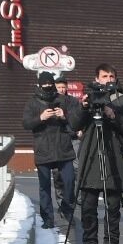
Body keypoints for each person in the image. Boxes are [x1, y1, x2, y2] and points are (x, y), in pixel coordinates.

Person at [68, 63, 123, 244]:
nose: (108, 79)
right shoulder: (87, 98)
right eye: (104, 76)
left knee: (112, 208)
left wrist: (113, 114)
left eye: (111, 76)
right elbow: (73, 125)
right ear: (96, 79)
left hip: (113, 158)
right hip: (90, 157)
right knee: (87, 208)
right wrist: (83, 107)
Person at [22, 71, 80, 229]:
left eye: (50, 83)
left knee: (69, 181)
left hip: (63, 148)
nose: (48, 86)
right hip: (43, 148)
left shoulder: (63, 100)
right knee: (44, 186)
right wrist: (40, 118)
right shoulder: (32, 102)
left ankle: (67, 209)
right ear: (39, 85)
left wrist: (64, 116)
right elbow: (26, 123)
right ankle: (47, 218)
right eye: (44, 84)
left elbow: (76, 122)